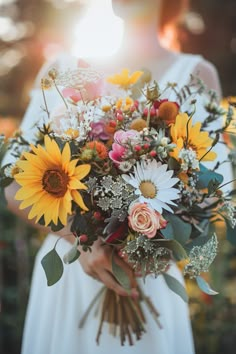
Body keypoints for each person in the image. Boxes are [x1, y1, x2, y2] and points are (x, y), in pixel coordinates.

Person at [3, 0, 232, 353]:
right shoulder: (61, 70)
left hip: (147, 278)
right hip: (70, 275)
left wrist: (144, 248)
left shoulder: (197, 75)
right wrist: (85, 241)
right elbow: (15, 187)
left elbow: (211, 191)